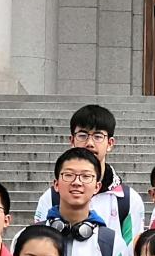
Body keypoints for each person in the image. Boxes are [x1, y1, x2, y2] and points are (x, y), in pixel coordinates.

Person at [32, 103, 144, 247]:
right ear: (72, 140)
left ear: (110, 143)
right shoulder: (52, 196)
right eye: (82, 135)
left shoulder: (128, 200)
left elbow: (131, 253)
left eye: (98, 136)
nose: (89, 143)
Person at [46, 148, 130, 256]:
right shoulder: (30, 238)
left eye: (86, 176)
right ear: (56, 184)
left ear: (97, 186)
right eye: (69, 175)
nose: (77, 182)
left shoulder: (112, 243)